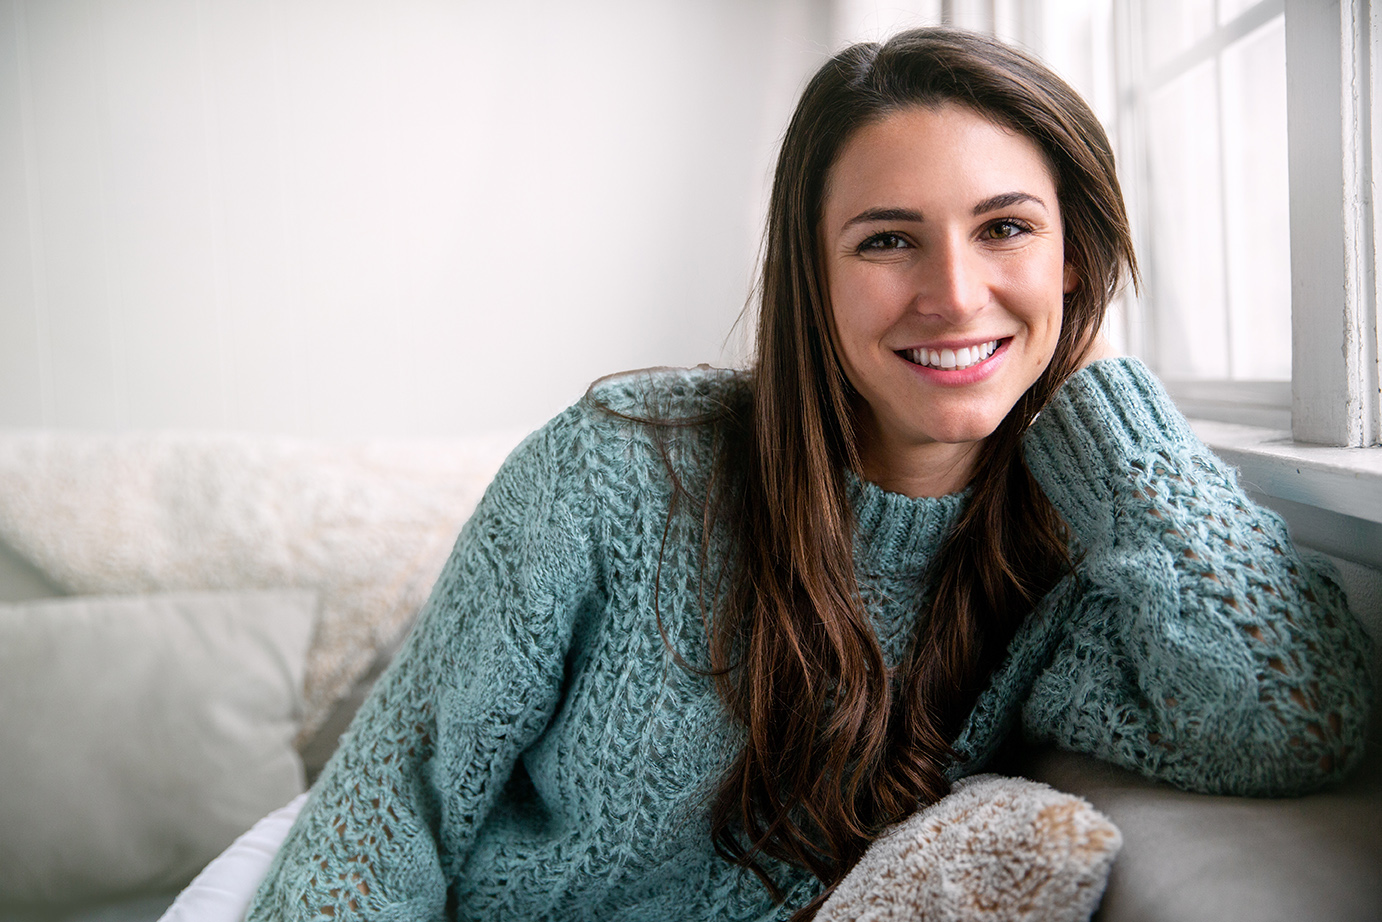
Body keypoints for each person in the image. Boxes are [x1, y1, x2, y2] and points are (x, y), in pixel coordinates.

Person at [245, 27, 1373, 922]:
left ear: (1070, 257)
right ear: (812, 272)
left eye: (1005, 229)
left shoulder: (1070, 557)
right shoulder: (616, 468)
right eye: (887, 240)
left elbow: (1297, 722)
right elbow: (395, 800)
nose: (953, 291)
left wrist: (1099, 407)